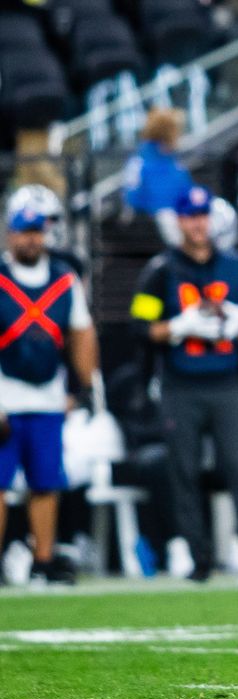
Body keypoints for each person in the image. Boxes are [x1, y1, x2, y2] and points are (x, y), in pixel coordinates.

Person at [129, 185, 238, 580]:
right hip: (181, 385)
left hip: (227, 382)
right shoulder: (161, 270)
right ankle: (199, 557)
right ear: (179, 221)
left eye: (202, 216)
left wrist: (234, 317)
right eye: (190, 217)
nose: (197, 224)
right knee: (184, 473)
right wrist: (180, 325)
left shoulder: (234, 267)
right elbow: (141, 327)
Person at [0, 204, 98, 584]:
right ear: (10, 234)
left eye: (36, 232)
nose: (30, 239)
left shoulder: (63, 280)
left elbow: (81, 333)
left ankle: (43, 560)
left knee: (46, 483)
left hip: (47, 397)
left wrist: (82, 388)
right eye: (24, 231)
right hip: (5, 397)